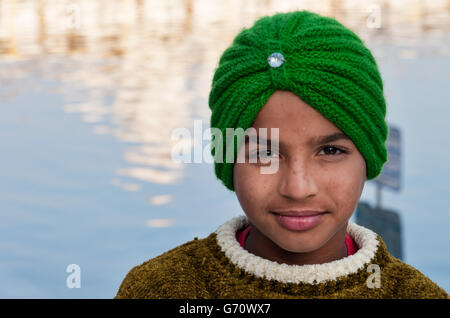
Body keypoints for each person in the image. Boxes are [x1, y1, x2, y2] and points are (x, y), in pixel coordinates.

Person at [114, 10, 448, 299]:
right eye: (265, 153)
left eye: (330, 150)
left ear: (370, 156)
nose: (298, 188)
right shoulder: (162, 289)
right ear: (228, 160)